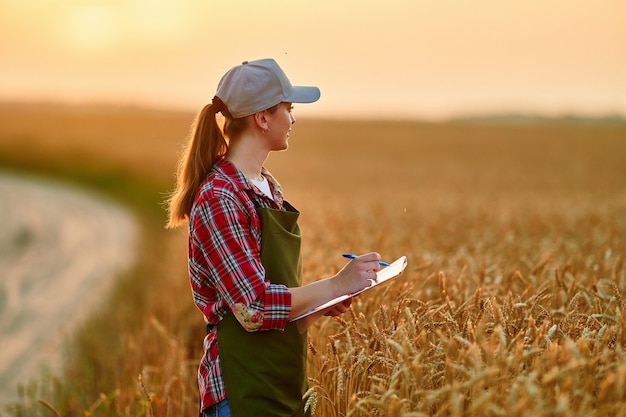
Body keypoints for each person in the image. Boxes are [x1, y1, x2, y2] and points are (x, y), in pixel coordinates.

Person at [166, 58, 382, 417]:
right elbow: (253, 308)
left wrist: (316, 308)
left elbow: (268, 300)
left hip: (281, 380)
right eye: (289, 108)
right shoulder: (221, 197)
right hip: (240, 389)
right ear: (262, 119)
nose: (293, 119)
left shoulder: (267, 188)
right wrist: (334, 284)